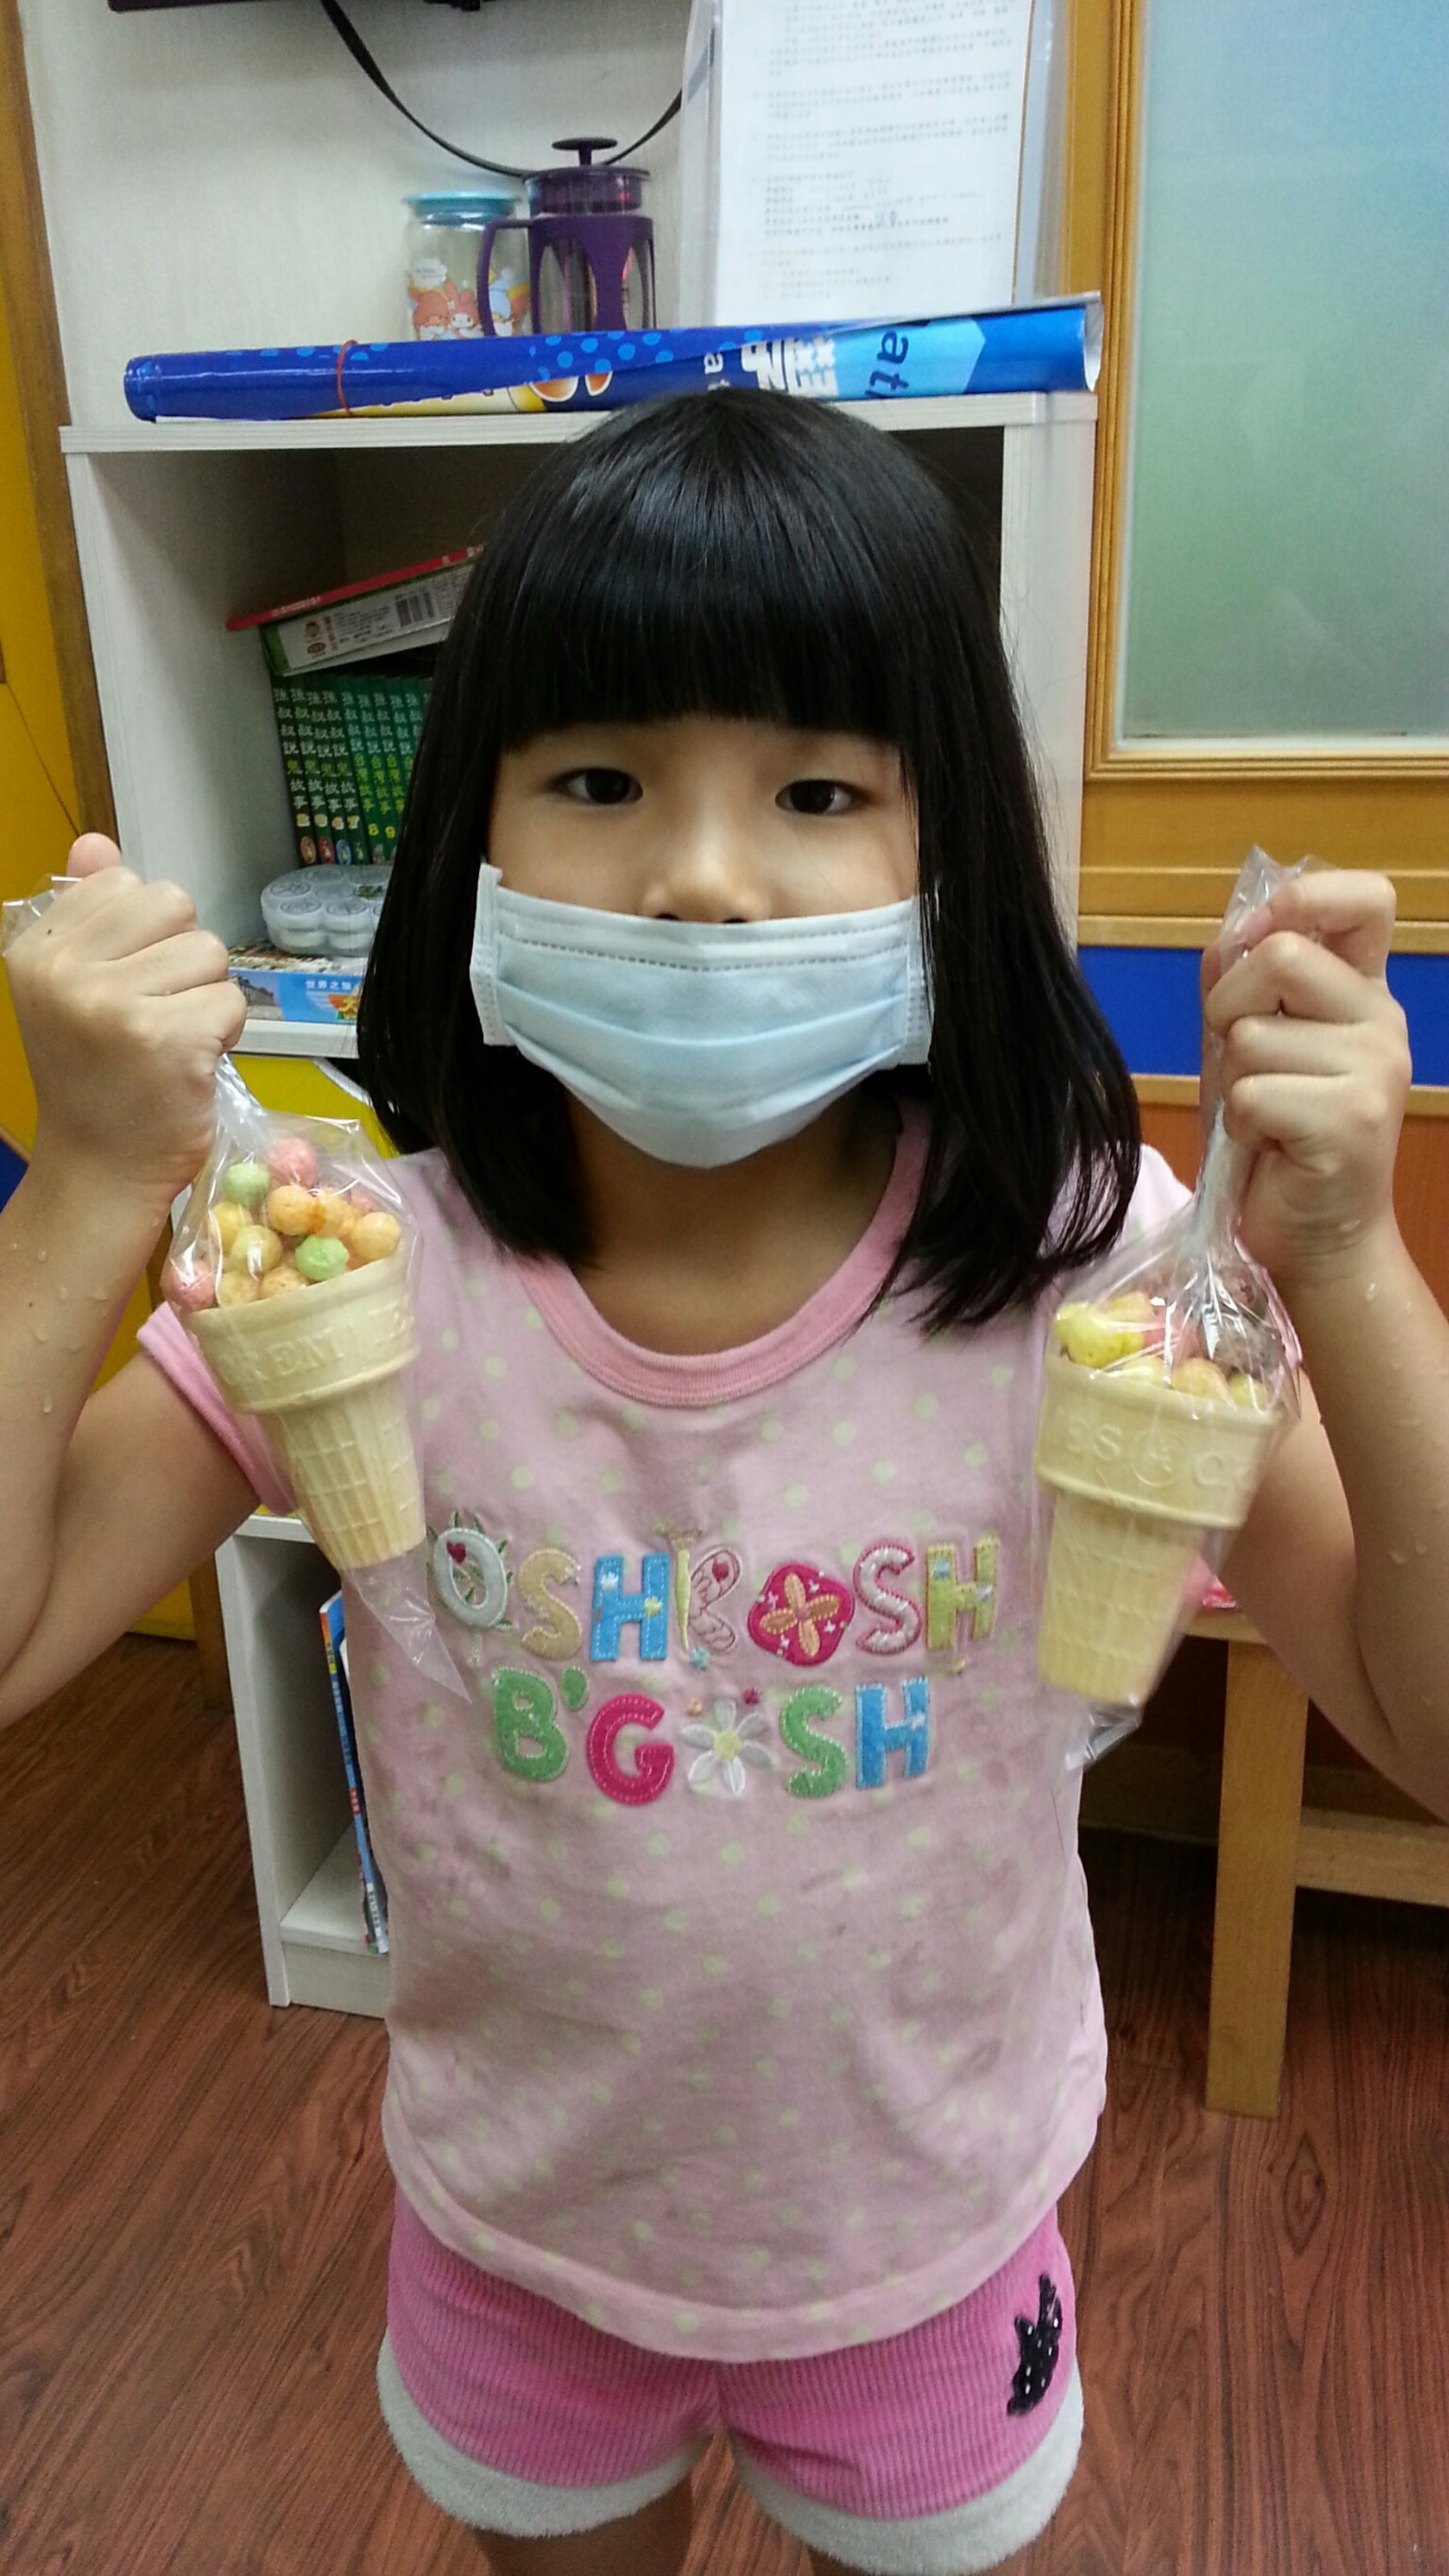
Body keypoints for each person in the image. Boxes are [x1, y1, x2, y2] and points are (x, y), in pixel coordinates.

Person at [1, 393, 1444, 2576]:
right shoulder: (354, 1271)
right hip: (518, 2239)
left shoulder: (1096, 1275)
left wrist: (1346, 1259)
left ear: (949, 852)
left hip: (931, 2245)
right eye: (598, 781)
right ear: (470, 838)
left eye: (817, 790)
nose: (697, 870)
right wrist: (83, 1193)